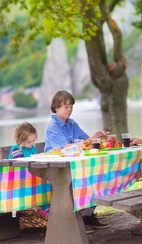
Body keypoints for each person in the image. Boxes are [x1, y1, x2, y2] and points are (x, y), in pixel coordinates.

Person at [45, 89, 110, 233]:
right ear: (56, 107)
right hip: (58, 169)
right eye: (66, 106)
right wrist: (90, 140)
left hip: (75, 165)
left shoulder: (72, 124)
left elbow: (87, 141)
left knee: (98, 176)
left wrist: (97, 138)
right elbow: (65, 148)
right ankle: (78, 218)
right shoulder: (53, 127)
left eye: (71, 106)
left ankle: (88, 214)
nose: (70, 110)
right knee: (83, 180)